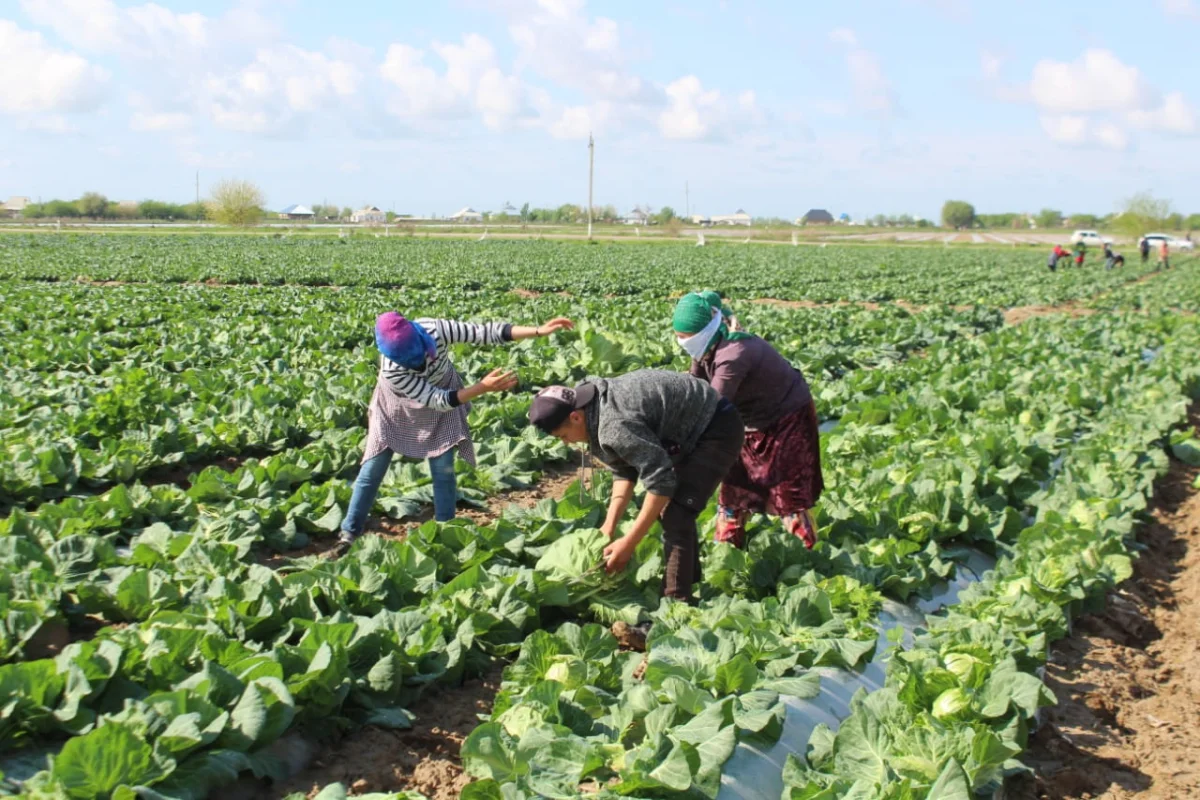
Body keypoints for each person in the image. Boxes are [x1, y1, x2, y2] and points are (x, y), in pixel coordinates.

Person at [334, 311, 574, 556]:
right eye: (413, 362)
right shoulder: (392, 370)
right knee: (373, 467)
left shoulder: (434, 329)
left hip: (445, 395)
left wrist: (537, 330)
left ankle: (445, 531)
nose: (421, 363)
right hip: (399, 406)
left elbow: (484, 333)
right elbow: (436, 400)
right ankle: (349, 533)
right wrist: (482, 388)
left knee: (443, 469)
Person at [529, 371, 745, 605]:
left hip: (716, 426)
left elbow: (661, 482)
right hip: (685, 425)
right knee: (675, 510)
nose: (567, 442)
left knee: (677, 514)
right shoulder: (588, 403)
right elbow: (623, 470)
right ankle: (688, 580)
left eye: (564, 435)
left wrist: (629, 543)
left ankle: (677, 603)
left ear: (575, 417)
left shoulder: (614, 426)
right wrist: (608, 528)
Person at [671, 292, 824, 550]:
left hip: (786, 420)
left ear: (705, 330)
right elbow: (695, 387)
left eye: (686, 337)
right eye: (679, 336)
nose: (682, 342)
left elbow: (712, 407)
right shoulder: (705, 346)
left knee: (788, 496)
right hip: (746, 421)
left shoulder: (734, 353)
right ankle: (727, 556)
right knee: (733, 492)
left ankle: (810, 555)